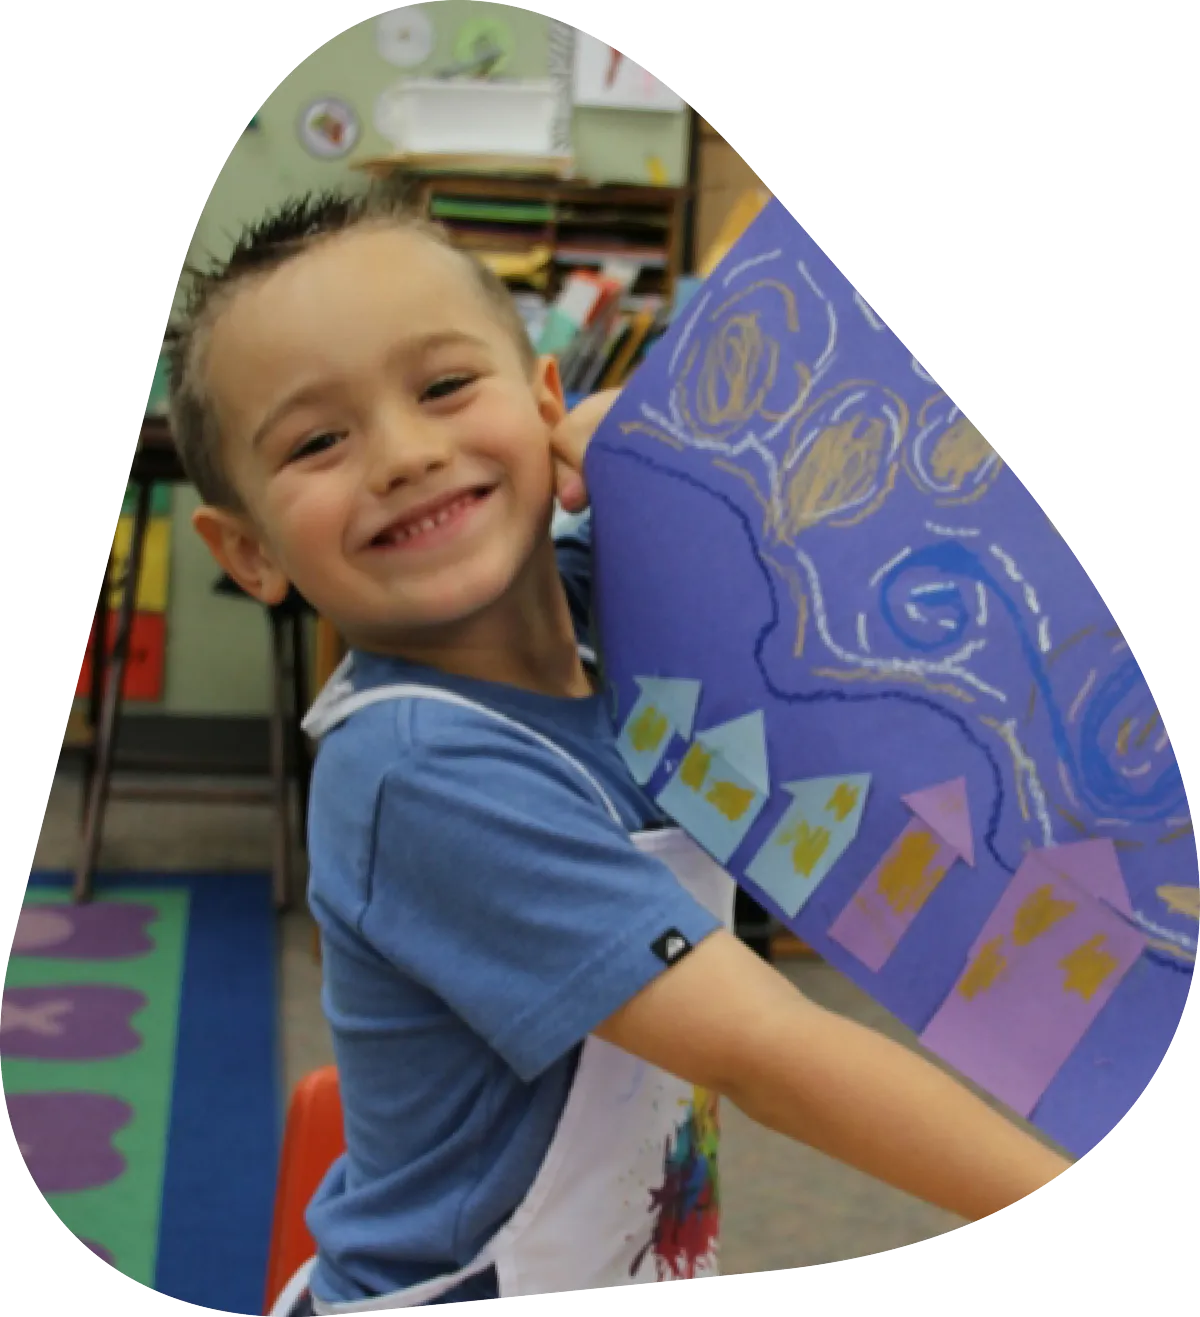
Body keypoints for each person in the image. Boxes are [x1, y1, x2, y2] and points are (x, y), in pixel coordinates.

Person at [164, 190, 1071, 1315]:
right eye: (317, 442)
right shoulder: (416, 769)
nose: (405, 454)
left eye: (445, 386)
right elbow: (767, 1052)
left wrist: (665, 462)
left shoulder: (620, 595)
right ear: (248, 551)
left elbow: (858, 552)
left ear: (545, 400)